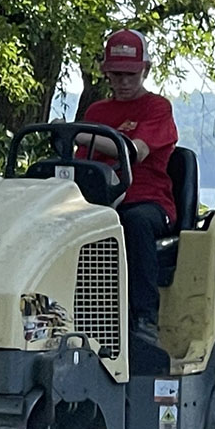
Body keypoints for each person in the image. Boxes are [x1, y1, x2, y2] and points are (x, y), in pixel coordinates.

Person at [77, 28, 177, 346]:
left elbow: (137, 150)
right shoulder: (97, 113)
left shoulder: (157, 109)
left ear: (145, 70)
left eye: (130, 74)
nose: (123, 82)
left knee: (132, 223)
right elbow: (81, 163)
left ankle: (144, 317)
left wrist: (85, 137)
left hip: (147, 200)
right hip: (101, 200)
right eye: (116, 74)